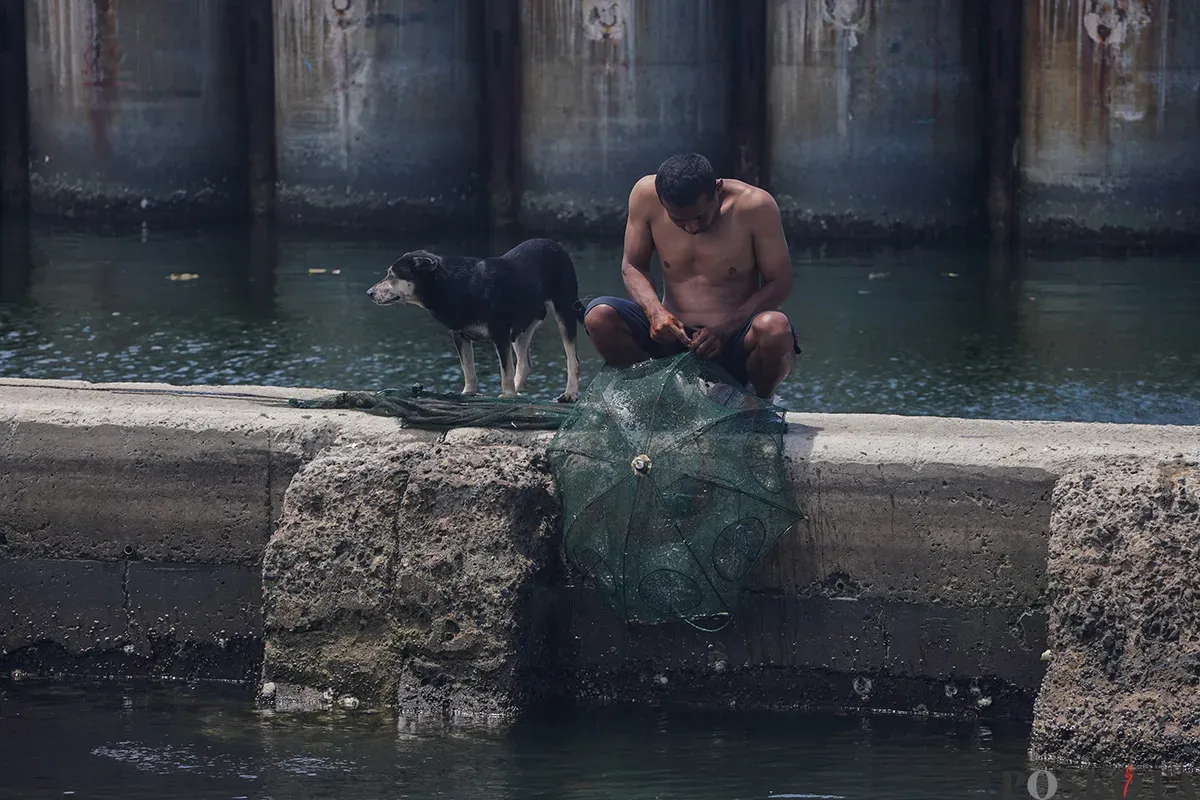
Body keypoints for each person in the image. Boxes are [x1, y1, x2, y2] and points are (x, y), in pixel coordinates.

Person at [583, 152, 801, 400]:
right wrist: (655, 312)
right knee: (599, 316)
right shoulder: (644, 196)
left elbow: (780, 282)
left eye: (699, 216)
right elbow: (632, 266)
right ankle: (651, 397)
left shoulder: (756, 206)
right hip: (672, 335)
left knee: (776, 328)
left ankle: (758, 404)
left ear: (717, 189)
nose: (691, 228)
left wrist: (724, 329)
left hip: (734, 339)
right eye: (679, 220)